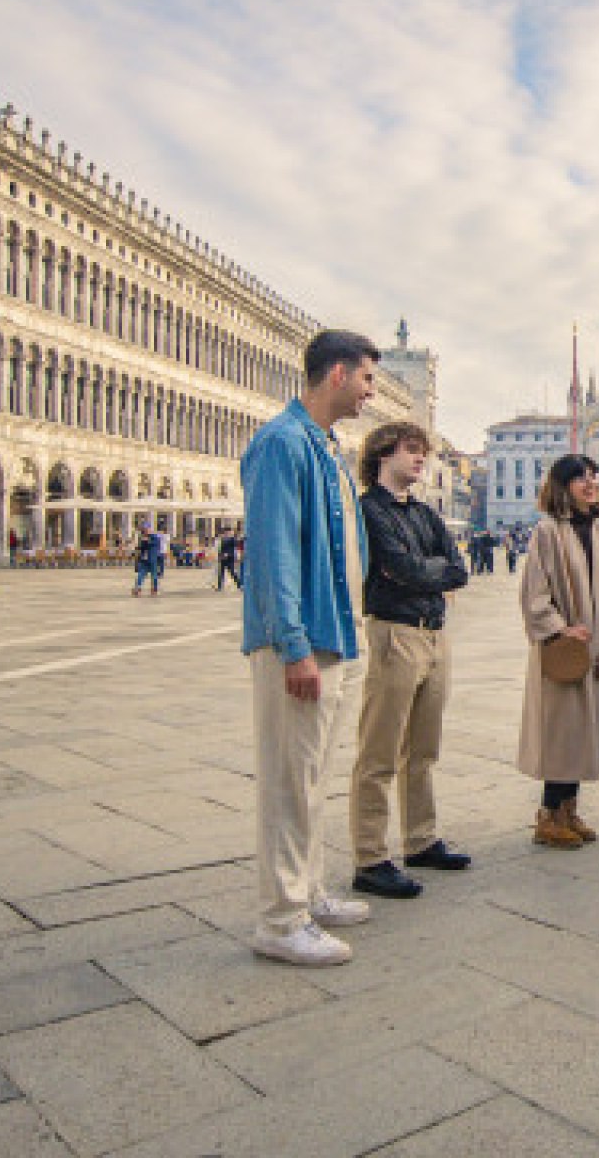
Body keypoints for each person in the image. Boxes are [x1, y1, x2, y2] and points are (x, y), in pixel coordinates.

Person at [241, 329, 381, 966]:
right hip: (303, 642)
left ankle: (309, 891)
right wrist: (293, 644)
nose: (371, 392)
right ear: (338, 375)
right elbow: (271, 556)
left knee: (315, 777)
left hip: (337, 636)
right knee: (290, 780)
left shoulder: (326, 447)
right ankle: (280, 918)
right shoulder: (281, 444)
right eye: (368, 379)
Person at [349, 422, 472, 899]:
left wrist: (426, 573)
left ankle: (420, 838)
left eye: (424, 452)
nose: (421, 460)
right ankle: (370, 856)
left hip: (435, 634)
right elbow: (399, 567)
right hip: (395, 632)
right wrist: (426, 572)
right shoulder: (369, 510)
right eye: (411, 451)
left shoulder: (424, 512)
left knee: (424, 747)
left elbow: (456, 569)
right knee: (379, 750)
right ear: (383, 453)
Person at [518, 454, 599, 849]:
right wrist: (560, 630)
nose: (590, 484)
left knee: (586, 731)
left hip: (598, 646)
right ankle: (548, 815)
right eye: (580, 478)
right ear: (562, 486)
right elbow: (535, 594)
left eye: (593, 477)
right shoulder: (548, 532)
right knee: (563, 731)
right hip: (564, 650)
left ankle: (568, 809)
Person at [132, 522, 164, 596]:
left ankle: (154, 589)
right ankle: (138, 588)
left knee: (154, 575)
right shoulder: (143, 537)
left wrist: (147, 541)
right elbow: (141, 547)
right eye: (144, 529)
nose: (145, 530)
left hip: (152, 559)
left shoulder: (155, 537)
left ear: (150, 529)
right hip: (144, 559)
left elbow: (155, 545)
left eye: (147, 529)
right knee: (141, 574)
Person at [217, 526, 245, 591]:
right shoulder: (222, 539)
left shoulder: (232, 539)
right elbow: (220, 549)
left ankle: (239, 584)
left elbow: (237, 543)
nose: (227, 533)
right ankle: (220, 586)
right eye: (226, 532)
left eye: (228, 532)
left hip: (230, 558)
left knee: (232, 572)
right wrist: (220, 555)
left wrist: (242, 539)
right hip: (223, 558)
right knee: (221, 573)